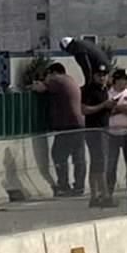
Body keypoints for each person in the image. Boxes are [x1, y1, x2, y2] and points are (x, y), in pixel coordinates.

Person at [33, 63, 86, 197]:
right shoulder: (70, 80)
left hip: (67, 125)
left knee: (58, 155)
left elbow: (40, 88)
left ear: (53, 72)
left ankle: (64, 185)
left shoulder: (56, 80)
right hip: (79, 124)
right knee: (78, 157)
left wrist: (35, 84)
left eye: (48, 75)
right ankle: (79, 186)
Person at [81, 64, 116, 207]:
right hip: (94, 130)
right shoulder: (90, 90)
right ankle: (104, 194)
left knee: (98, 163)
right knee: (100, 162)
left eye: (104, 75)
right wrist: (103, 105)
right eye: (99, 75)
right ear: (94, 76)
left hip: (104, 129)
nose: (102, 77)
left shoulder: (105, 90)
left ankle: (95, 196)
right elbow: (84, 109)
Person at [107, 69, 127, 200]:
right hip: (112, 133)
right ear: (116, 80)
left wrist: (117, 108)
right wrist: (120, 109)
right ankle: (109, 191)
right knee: (111, 164)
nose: (125, 82)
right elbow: (107, 111)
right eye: (123, 79)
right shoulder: (108, 94)